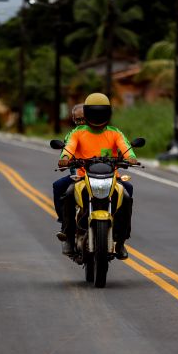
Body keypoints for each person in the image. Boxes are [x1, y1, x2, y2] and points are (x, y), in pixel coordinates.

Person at [57, 93, 136, 260]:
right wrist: (65, 158)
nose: (97, 115)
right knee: (69, 194)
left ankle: (121, 241)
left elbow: (126, 148)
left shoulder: (115, 133)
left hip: (111, 178)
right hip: (83, 178)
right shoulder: (77, 133)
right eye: (94, 111)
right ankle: (69, 238)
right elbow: (69, 148)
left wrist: (131, 158)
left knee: (127, 194)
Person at [51, 104, 85, 223]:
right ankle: (65, 223)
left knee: (125, 190)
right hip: (77, 177)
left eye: (84, 119)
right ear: (73, 120)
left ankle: (121, 230)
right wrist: (64, 162)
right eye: (78, 120)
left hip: (101, 176)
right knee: (58, 186)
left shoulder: (100, 133)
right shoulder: (71, 136)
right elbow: (65, 153)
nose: (81, 122)